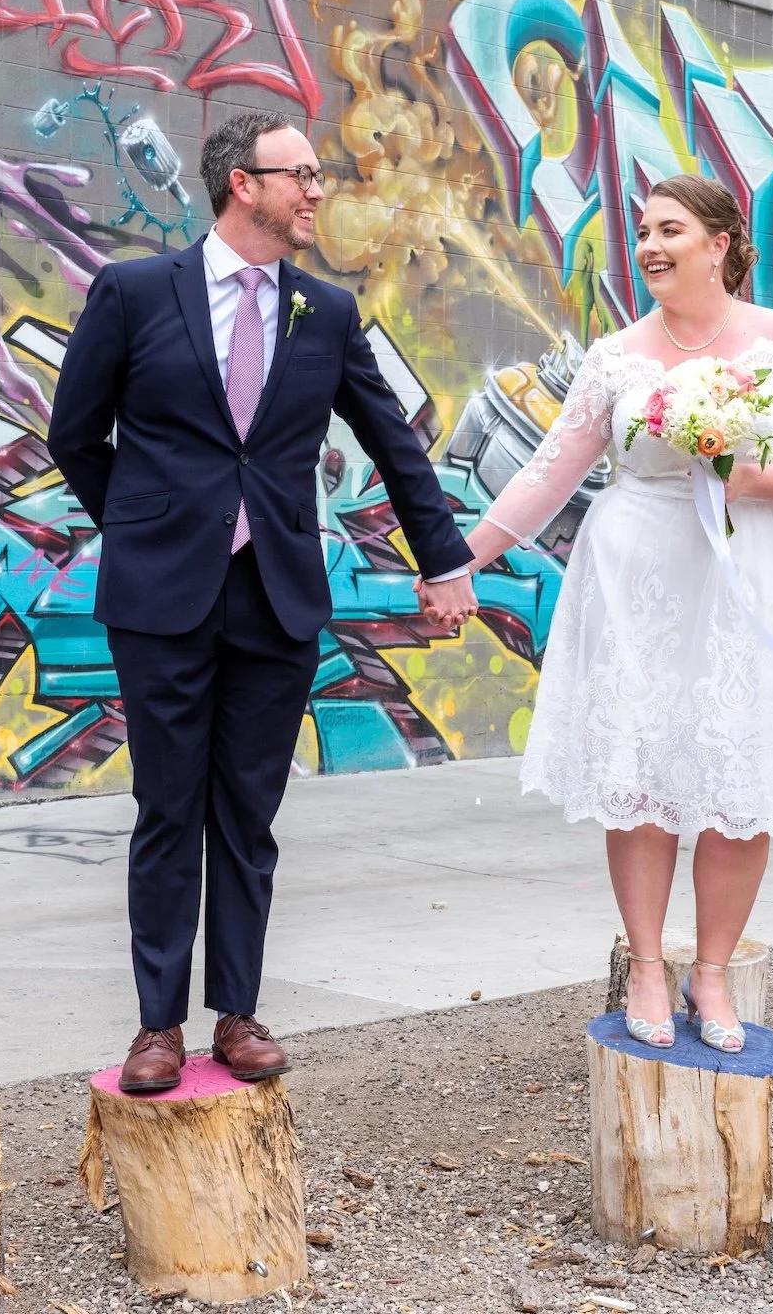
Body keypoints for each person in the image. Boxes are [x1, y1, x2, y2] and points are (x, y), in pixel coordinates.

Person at [49, 110, 478, 1092]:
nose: (318, 189)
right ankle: (157, 1024)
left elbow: (392, 443)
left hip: (277, 594)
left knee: (248, 812)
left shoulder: (322, 312)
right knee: (168, 809)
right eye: (302, 174)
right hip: (162, 597)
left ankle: (235, 1013)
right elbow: (75, 433)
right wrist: (145, 523)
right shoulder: (133, 292)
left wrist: (442, 558)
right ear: (243, 182)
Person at [458, 175, 773, 1052]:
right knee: (639, 776)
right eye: (642, 230)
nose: (648, 244)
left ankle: (711, 973)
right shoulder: (616, 356)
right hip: (637, 577)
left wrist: (757, 479)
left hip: (751, 572)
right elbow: (549, 473)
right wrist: (465, 559)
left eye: (669, 229)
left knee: (736, 780)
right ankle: (647, 961)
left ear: (720, 243)